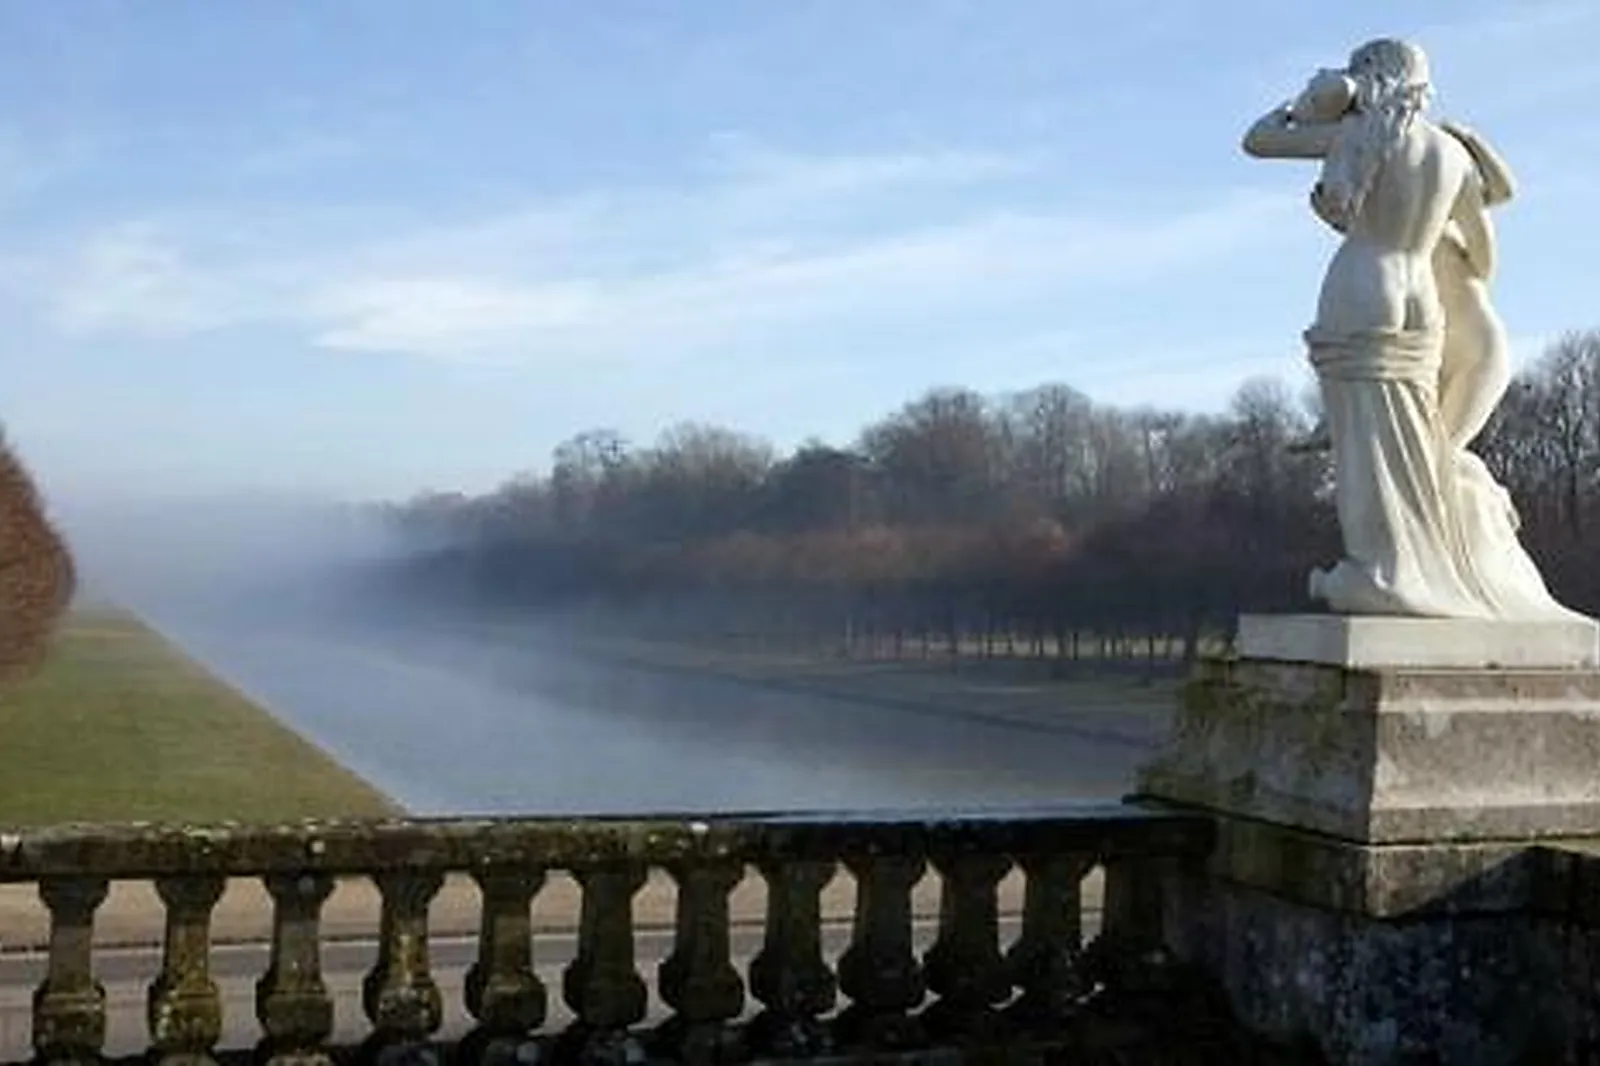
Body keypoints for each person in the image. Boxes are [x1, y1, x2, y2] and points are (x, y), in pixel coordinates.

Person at [1242, 38, 1582, 620]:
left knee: (1366, 442)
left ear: (1369, 79)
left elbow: (1259, 139)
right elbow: (1482, 255)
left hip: (1365, 282)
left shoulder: (1361, 136)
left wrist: (1309, 102)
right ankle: (1424, 568)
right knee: (1414, 443)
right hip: (1422, 298)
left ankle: (1383, 570)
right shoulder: (1450, 155)